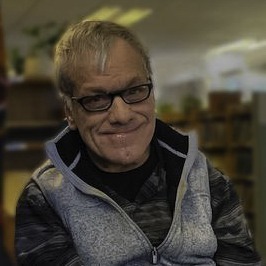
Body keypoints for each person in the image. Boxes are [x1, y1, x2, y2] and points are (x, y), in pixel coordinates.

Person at [15, 20, 261, 265]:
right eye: (97, 99)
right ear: (70, 112)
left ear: (152, 94)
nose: (122, 116)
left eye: (134, 91)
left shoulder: (202, 175)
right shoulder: (44, 197)